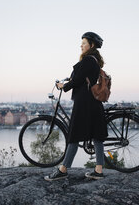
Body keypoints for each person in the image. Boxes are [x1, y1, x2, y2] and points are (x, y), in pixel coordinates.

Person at [44, 32, 108, 181]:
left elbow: (78, 80)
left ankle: (63, 169)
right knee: (97, 135)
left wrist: (63, 86)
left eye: (84, 43)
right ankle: (98, 170)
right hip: (93, 103)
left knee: (73, 135)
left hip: (84, 103)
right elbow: (81, 78)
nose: (81, 45)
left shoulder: (87, 60)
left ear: (91, 45)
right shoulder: (94, 61)